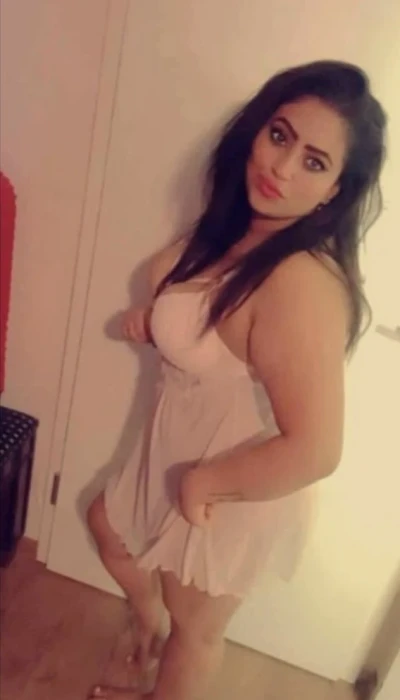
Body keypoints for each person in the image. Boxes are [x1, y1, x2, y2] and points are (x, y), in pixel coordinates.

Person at [87, 60, 386, 700]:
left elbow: (316, 449)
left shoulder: (301, 282)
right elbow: (215, 326)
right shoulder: (241, 224)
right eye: (279, 136)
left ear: (335, 190)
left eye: (314, 162)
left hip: (230, 479)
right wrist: (156, 323)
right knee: (108, 528)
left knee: (194, 635)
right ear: (256, 128)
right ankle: (147, 625)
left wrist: (207, 482)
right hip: (176, 441)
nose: (281, 168)